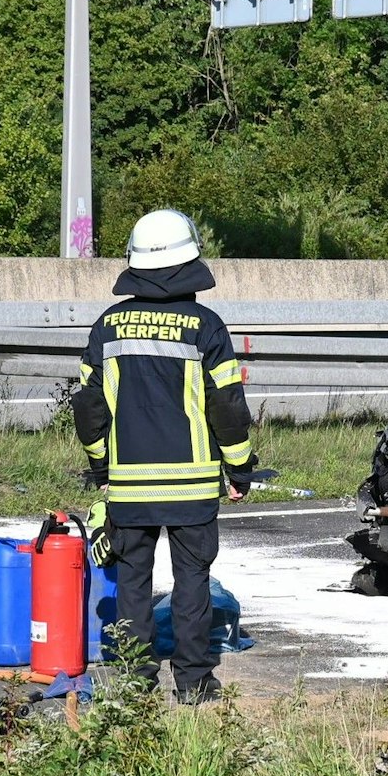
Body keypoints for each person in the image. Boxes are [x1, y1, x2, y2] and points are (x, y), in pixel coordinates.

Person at [73, 209, 254, 703]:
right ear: (190, 261)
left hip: (128, 486)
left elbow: (89, 406)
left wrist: (100, 468)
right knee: (191, 582)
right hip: (192, 487)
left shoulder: (107, 327)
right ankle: (194, 684)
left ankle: (135, 683)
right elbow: (228, 407)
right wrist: (239, 469)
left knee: (133, 584)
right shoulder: (206, 326)